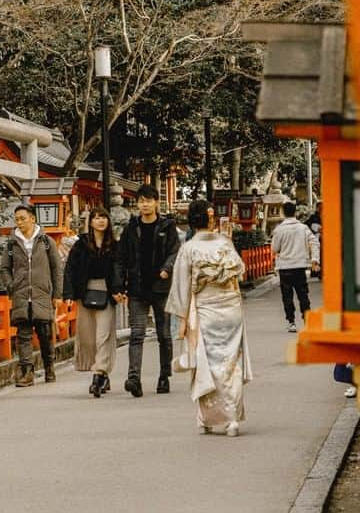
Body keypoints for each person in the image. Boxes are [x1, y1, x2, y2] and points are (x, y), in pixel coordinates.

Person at [166, 199, 252, 437]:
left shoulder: (189, 248)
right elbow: (240, 273)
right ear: (211, 218)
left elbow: (181, 287)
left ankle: (210, 417)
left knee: (208, 363)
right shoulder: (225, 243)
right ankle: (232, 418)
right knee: (231, 362)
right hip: (231, 306)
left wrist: (181, 319)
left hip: (206, 308)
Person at [116, 184, 181, 397]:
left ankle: (164, 375)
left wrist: (166, 269)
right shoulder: (131, 228)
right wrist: (119, 284)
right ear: (137, 204)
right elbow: (121, 258)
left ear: (156, 202)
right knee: (137, 334)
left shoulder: (167, 226)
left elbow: (174, 251)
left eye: (148, 200)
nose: (144, 204)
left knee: (163, 334)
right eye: (141, 201)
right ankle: (134, 378)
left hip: (161, 287)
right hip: (136, 287)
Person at [63, 207, 126, 397]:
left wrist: (119, 290)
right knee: (88, 337)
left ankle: (98, 375)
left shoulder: (115, 245)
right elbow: (70, 269)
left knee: (103, 336)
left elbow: (120, 269)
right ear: (90, 222)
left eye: (103, 217)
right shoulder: (81, 244)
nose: (100, 221)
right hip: (85, 292)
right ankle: (102, 371)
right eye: (96, 218)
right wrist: (68, 293)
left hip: (107, 292)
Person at [1, 204, 63, 387]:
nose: (19, 222)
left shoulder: (46, 241)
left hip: (42, 294)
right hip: (21, 295)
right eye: (17, 219)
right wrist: (10, 285)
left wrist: (57, 294)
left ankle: (49, 366)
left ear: (33, 219)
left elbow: (57, 269)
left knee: (44, 334)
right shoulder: (12, 243)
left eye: (23, 218)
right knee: (23, 334)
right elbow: (5, 268)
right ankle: (27, 371)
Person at [271, 201, 320, 333]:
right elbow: (314, 242)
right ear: (295, 212)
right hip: (299, 266)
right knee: (303, 294)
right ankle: (307, 319)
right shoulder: (303, 228)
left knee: (287, 296)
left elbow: (275, 248)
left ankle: (291, 322)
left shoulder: (279, 229)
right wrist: (315, 259)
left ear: (283, 212)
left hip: (285, 267)